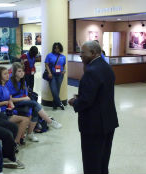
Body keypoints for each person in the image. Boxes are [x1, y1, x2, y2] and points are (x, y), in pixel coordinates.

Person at [68, 41, 119, 174]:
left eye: (83, 53)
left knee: (91, 161)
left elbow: (86, 100)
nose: (80, 55)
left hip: (94, 125)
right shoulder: (106, 67)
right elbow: (99, 93)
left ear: (94, 53)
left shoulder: (91, 71)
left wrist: (75, 102)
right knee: (103, 159)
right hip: (108, 121)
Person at [7, 62, 62, 142]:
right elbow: (10, 100)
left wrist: (25, 98)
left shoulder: (23, 81)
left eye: (22, 70)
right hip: (15, 104)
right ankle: (49, 121)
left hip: (24, 102)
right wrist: (24, 99)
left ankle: (30, 134)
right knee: (34, 103)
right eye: (19, 71)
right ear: (14, 72)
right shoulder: (10, 82)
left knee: (35, 110)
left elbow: (25, 95)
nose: (22, 73)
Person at [0, 68, 30, 146]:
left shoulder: (4, 85)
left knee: (27, 114)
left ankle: (17, 140)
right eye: (5, 74)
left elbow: (9, 98)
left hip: (7, 110)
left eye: (8, 73)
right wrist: (5, 103)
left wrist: (11, 105)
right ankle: (16, 142)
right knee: (25, 120)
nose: (8, 75)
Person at [45, 42, 66, 110]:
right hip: (52, 75)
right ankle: (60, 103)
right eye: (55, 48)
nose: (56, 49)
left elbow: (63, 65)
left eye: (58, 48)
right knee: (54, 90)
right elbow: (46, 64)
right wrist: (49, 73)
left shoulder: (63, 56)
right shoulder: (49, 55)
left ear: (60, 48)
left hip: (60, 75)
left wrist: (64, 71)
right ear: (53, 48)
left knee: (57, 90)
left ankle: (54, 104)